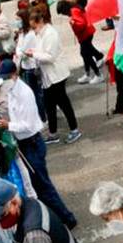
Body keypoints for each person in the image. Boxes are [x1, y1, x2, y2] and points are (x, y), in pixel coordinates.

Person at [0, 63, 76, 228]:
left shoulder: (24, 94)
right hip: (25, 143)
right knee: (39, 185)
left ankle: (67, 219)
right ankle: (58, 218)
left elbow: (27, 124)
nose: (4, 82)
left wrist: (9, 125)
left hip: (32, 142)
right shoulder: (12, 91)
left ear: (14, 75)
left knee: (43, 187)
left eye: (6, 78)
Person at [25, 8, 81, 144]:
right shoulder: (41, 34)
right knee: (49, 104)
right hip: (48, 76)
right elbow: (42, 51)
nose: (33, 30)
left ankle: (74, 129)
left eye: (34, 27)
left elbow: (50, 57)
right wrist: (34, 52)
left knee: (63, 103)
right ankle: (53, 132)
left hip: (56, 75)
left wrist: (34, 54)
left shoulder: (50, 34)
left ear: (40, 22)